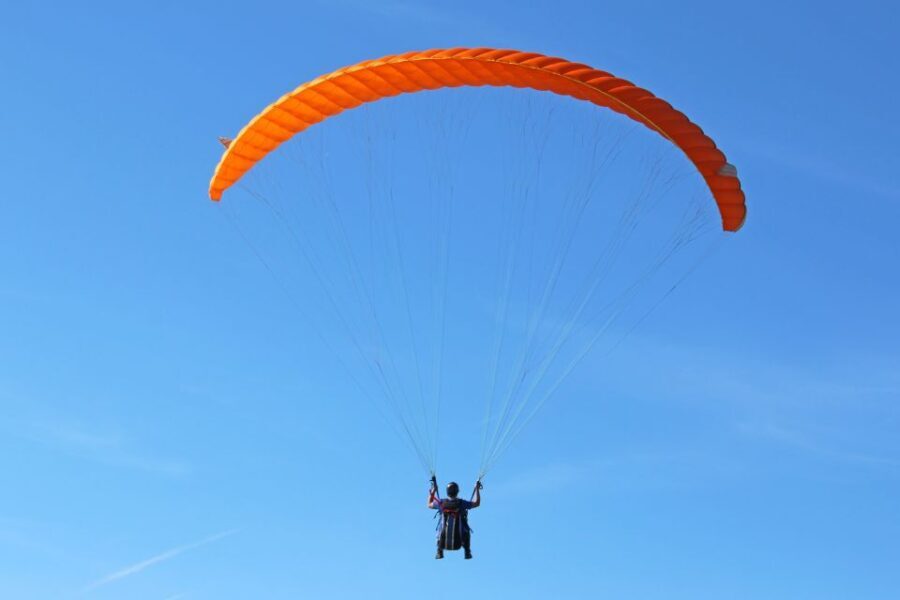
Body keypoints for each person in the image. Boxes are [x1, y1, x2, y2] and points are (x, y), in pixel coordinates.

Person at [428, 476, 481, 559]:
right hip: (458, 543)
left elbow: (429, 504)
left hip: (443, 542)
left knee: (440, 528)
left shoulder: (441, 503)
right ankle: (467, 552)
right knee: (466, 531)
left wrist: (434, 489)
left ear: (447, 492)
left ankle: (439, 551)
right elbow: (477, 503)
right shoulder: (462, 503)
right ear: (457, 491)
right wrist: (477, 489)